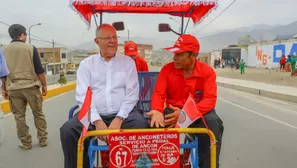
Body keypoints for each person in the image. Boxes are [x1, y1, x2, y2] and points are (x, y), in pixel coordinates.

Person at [59, 24, 150, 168]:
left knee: (141, 126)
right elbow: (83, 95)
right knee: (68, 130)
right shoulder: (86, 64)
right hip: (92, 115)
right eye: (107, 38)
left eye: (114, 37)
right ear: (97, 41)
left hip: (124, 115)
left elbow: (132, 94)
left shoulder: (127, 63)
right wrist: (97, 120)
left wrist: (119, 119)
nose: (112, 41)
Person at [147, 34, 224, 168]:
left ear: (193, 55)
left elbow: (210, 100)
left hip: (198, 114)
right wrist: (157, 111)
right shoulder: (167, 70)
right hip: (172, 114)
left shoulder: (207, 72)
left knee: (213, 123)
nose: (174, 58)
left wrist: (185, 114)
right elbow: (159, 94)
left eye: (179, 54)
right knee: (154, 123)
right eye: (174, 54)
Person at [2, 24, 48, 150]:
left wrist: (4, 89)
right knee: (38, 113)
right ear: (22, 35)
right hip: (31, 86)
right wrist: (44, 85)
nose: (26, 37)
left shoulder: (3, 50)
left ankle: (26, 143)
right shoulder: (30, 48)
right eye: (26, 34)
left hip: (13, 88)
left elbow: (2, 72)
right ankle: (43, 139)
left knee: (19, 116)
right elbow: (39, 70)